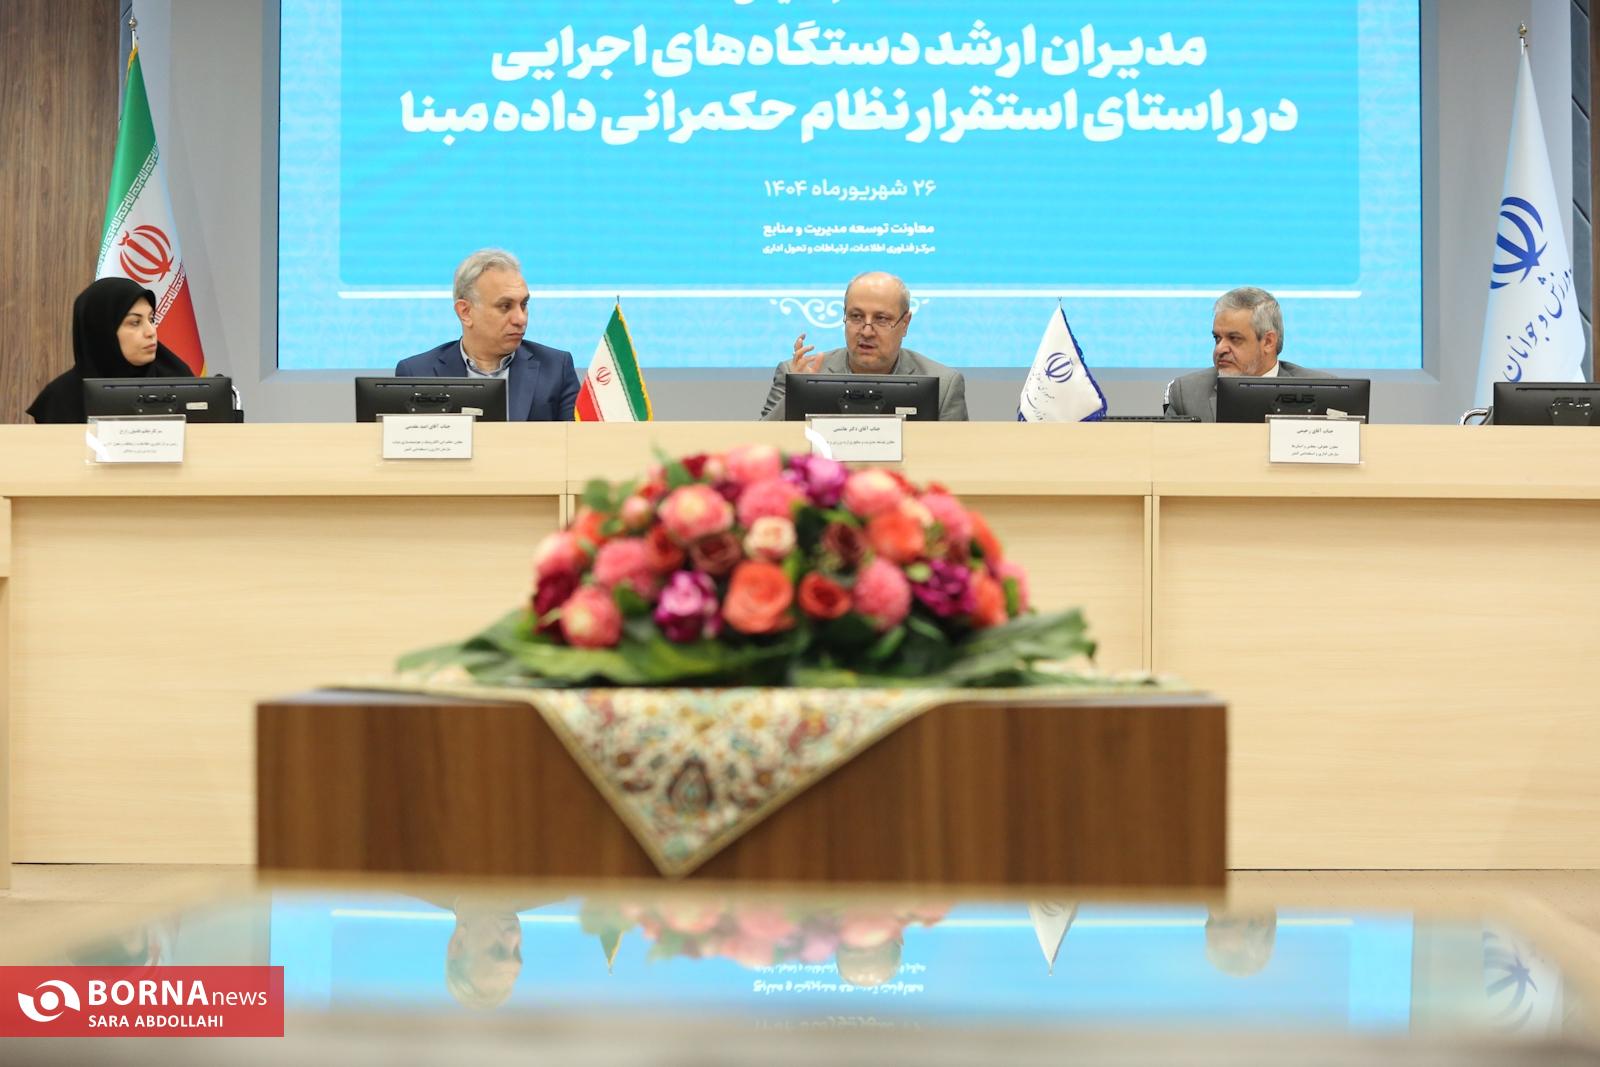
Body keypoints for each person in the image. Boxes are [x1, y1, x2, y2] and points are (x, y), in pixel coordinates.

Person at [395, 248, 580, 422]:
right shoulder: (416, 374)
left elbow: (577, 442)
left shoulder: (556, 369)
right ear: (465, 312)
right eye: (505, 306)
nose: (520, 319)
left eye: (523, 305)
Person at [759, 271, 968, 421]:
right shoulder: (795, 372)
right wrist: (797, 392)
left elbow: (959, 458)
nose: (866, 332)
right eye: (856, 316)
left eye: (881, 319)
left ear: (905, 324)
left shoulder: (944, 385)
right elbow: (762, 447)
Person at [27, 277, 195, 424]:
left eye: (151, 319)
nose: (151, 332)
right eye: (135, 322)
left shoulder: (179, 380)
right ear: (103, 331)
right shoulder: (60, 398)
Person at [1163, 286, 1331, 422]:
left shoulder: (1324, 392)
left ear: (1268, 342)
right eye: (1217, 338)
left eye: (1234, 338)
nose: (1220, 349)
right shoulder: (1187, 393)